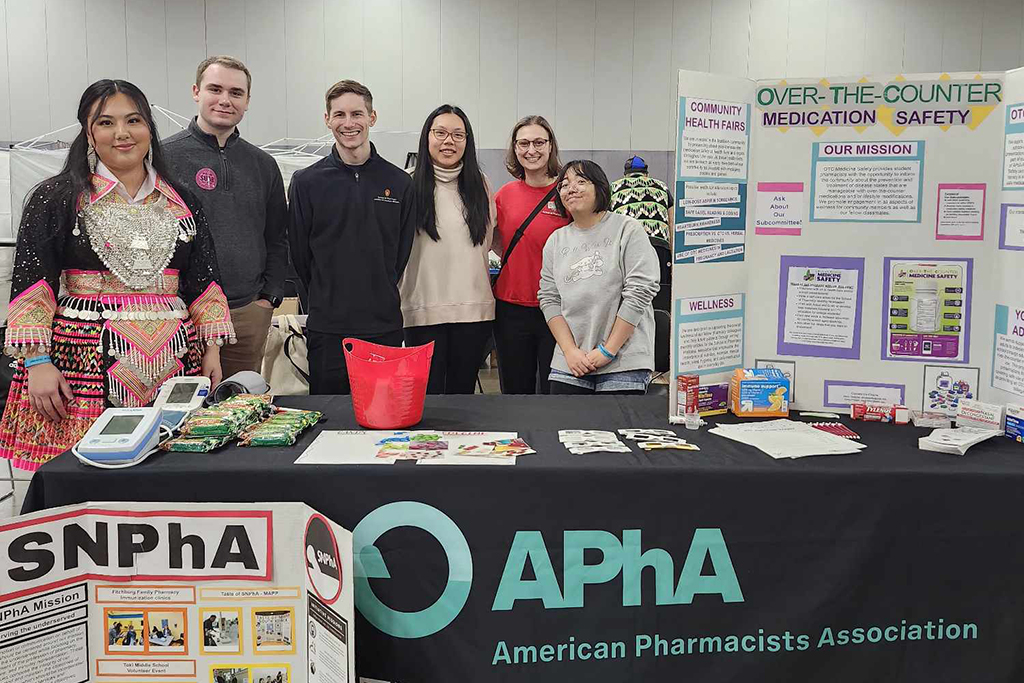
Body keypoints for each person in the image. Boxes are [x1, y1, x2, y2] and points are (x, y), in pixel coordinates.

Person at [0, 80, 234, 471]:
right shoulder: (56, 198)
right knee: (87, 476)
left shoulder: (182, 200)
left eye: (134, 120)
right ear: (88, 132)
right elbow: (33, 282)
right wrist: (37, 362)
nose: (122, 134)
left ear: (149, 128)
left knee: (172, 471)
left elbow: (202, 281)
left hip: (176, 364)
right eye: (106, 122)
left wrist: (212, 349)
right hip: (82, 367)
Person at [163, 56, 288, 379]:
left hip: (247, 311)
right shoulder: (163, 158)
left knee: (239, 405)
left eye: (236, 92)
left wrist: (269, 297)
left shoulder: (262, 165)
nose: (225, 100)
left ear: (247, 101)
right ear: (196, 92)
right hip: (183, 312)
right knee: (185, 407)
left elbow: (277, 236)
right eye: (215, 89)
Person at [288, 80, 414, 395]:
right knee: (331, 420)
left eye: (357, 113)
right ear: (327, 119)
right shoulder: (306, 183)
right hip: (328, 329)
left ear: (372, 117)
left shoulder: (399, 183)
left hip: (382, 326)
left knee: (385, 418)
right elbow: (300, 257)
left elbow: (400, 254)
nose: (348, 123)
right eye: (339, 114)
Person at [538, 160, 659, 395]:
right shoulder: (556, 240)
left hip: (624, 361)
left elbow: (641, 291)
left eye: (581, 182)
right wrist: (570, 351)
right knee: (562, 430)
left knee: (618, 431)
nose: (571, 188)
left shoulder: (627, 229)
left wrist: (607, 351)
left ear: (601, 188)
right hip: (571, 363)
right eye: (564, 184)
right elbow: (549, 299)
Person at [399, 105, 495, 394]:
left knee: (462, 400)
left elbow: (486, 242)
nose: (449, 141)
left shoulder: (482, 185)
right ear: (427, 137)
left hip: (473, 314)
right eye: (440, 133)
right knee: (425, 402)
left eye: (458, 135)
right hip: (421, 311)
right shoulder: (407, 183)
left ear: (468, 141)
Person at [491, 115, 569, 394]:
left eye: (539, 142)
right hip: (511, 308)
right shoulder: (504, 195)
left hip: (558, 310)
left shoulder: (567, 193)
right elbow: (495, 241)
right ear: (514, 148)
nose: (531, 150)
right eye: (523, 143)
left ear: (550, 147)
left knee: (554, 389)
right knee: (514, 390)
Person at [609, 155, 674, 241]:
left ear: (625, 176)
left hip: (629, 242)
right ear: (646, 175)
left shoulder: (614, 187)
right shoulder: (662, 187)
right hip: (659, 242)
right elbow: (672, 220)